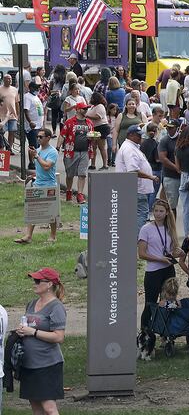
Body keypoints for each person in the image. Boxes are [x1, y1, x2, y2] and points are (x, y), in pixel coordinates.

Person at [15, 268, 67, 415]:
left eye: (38, 281)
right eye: (34, 280)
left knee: (49, 408)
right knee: (36, 408)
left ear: (49, 284)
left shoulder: (56, 307)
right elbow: (29, 326)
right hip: (29, 363)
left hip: (47, 364)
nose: (34, 283)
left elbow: (59, 337)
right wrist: (21, 330)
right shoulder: (31, 304)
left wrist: (33, 332)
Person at [137, 199, 184, 338]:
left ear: (167, 212)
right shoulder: (146, 229)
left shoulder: (170, 228)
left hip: (168, 269)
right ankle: (145, 335)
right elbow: (142, 254)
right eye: (156, 211)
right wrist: (159, 259)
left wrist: (178, 252)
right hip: (153, 271)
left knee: (169, 302)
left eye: (161, 211)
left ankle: (167, 334)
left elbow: (171, 250)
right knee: (150, 303)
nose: (158, 214)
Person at [15, 129, 58, 244]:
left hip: (49, 185)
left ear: (48, 138)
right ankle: (28, 236)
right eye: (38, 137)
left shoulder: (52, 152)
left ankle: (53, 236)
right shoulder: (38, 150)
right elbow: (35, 164)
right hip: (38, 183)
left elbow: (46, 166)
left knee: (51, 212)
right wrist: (31, 155)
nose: (38, 139)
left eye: (41, 137)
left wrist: (37, 156)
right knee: (32, 210)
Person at [116, 124, 158, 231]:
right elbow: (133, 170)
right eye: (138, 135)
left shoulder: (132, 147)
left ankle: (131, 237)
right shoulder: (129, 149)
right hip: (136, 189)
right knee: (142, 214)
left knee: (135, 214)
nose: (140, 137)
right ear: (130, 135)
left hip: (135, 189)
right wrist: (151, 177)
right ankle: (136, 238)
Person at [158, 119, 181, 216]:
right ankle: (171, 228)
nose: (169, 130)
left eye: (172, 128)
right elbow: (163, 158)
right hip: (171, 176)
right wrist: (176, 168)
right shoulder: (164, 141)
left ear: (178, 128)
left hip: (184, 176)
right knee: (171, 206)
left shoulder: (182, 139)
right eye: (168, 128)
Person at [23, 83, 45, 170]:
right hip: (32, 126)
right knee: (33, 145)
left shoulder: (35, 96)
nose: (37, 89)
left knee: (38, 145)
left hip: (38, 125)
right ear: (30, 88)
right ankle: (32, 163)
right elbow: (26, 110)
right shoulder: (27, 97)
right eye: (36, 88)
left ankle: (36, 161)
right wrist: (30, 121)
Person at [86, 92, 110, 170]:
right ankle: (93, 164)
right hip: (94, 127)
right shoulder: (92, 107)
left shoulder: (100, 106)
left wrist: (86, 116)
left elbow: (98, 117)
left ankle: (105, 164)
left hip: (101, 127)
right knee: (93, 147)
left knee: (101, 147)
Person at [141, 123, 162, 210]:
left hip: (145, 170)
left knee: (146, 191)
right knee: (153, 192)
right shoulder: (156, 144)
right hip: (155, 169)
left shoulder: (143, 143)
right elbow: (157, 159)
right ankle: (149, 210)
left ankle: (144, 208)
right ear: (156, 132)